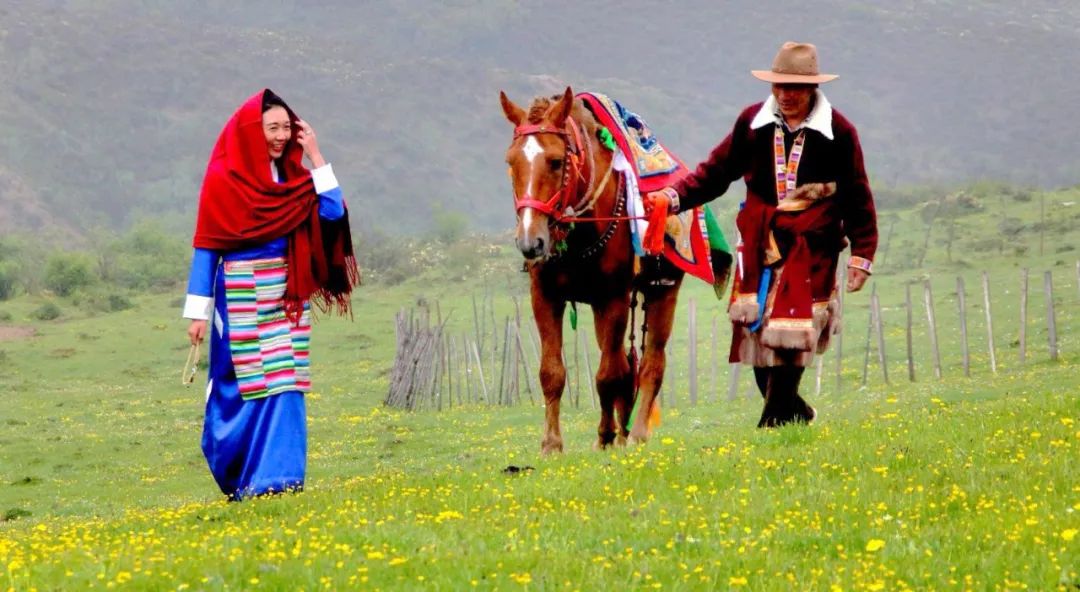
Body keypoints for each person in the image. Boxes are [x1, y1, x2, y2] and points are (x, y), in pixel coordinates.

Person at [644, 42, 877, 427]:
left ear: (812, 88)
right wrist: (673, 196)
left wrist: (862, 254)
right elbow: (716, 172)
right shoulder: (752, 123)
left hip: (811, 246)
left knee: (791, 340)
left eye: (794, 88)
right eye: (779, 87)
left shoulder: (839, 131)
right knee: (758, 343)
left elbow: (857, 194)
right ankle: (794, 412)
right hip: (758, 244)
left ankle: (772, 425)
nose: (786, 95)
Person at [182, 89, 359, 500]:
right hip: (239, 292)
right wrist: (197, 314)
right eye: (271, 128)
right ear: (251, 131)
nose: (280, 136)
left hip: (285, 291)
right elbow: (207, 245)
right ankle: (239, 472)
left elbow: (333, 211)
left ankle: (278, 481)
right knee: (246, 385)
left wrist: (316, 156)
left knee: (285, 382)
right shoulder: (224, 180)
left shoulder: (297, 180)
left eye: (286, 128)